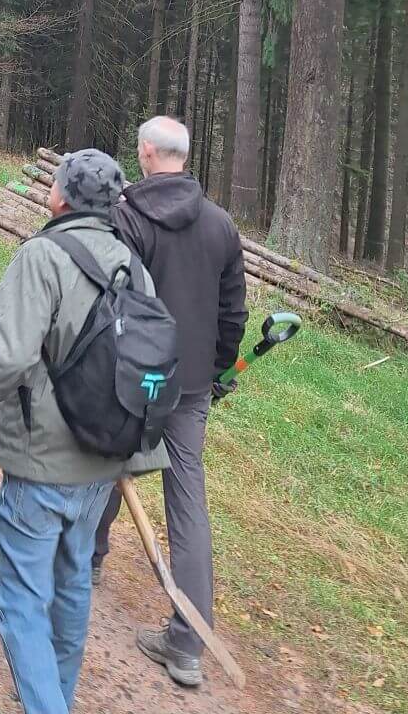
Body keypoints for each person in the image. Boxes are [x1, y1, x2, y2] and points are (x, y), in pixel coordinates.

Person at [0, 149, 169, 714]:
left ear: (59, 195)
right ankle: (53, 694)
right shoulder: (134, 266)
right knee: (71, 585)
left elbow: (6, 357)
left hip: (45, 461)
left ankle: (46, 704)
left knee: (19, 594)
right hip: (105, 461)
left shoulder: (42, 255)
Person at [93, 116, 247, 689]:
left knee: (110, 457)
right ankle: (187, 643)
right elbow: (233, 311)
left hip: (138, 377)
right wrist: (216, 369)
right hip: (187, 386)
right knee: (187, 498)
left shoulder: (127, 216)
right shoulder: (221, 225)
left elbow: (114, 299)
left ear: (146, 153)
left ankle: (86, 560)